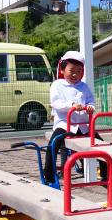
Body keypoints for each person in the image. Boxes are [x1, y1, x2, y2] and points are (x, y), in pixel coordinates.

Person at [44, 51, 106, 184]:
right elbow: (56, 103)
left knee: (102, 145)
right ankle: (48, 175)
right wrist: (71, 105)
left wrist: (90, 107)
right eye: (71, 70)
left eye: (78, 71)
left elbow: (90, 101)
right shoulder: (57, 85)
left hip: (83, 125)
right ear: (62, 69)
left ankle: (105, 173)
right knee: (53, 145)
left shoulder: (83, 86)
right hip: (64, 124)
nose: (74, 74)